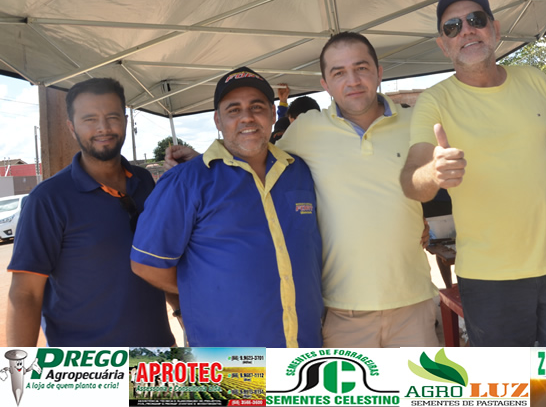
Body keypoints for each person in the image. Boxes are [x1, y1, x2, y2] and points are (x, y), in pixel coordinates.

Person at [167, 36, 438, 348]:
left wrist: (416, 218)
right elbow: (252, 154)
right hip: (341, 310)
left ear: (379, 72)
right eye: (338, 72)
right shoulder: (306, 130)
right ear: (325, 84)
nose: (352, 80)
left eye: (361, 68)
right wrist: (202, 161)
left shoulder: (417, 122)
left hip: (413, 301)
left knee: (419, 381)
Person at [400, 0, 546, 347]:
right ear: (443, 44)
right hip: (490, 280)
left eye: (475, 20)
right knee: (509, 380)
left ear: (495, 29)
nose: (466, 30)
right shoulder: (435, 101)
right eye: (452, 27)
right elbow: (412, 178)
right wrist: (433, 173)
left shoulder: (534, 79)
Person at [131, 67, 323, 347]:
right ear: (217, 120)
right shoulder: (185, 182)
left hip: (304, 347)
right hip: (228, 354)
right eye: (234, 110)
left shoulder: (300, 171)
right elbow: (147, 264)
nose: (247, 117)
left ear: (273, 114)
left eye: (257, 107)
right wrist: (205, 291)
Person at [7, 78, 175, 347]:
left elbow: (161, 258)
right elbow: (26, 294)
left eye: (112, 117)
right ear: (71, 128)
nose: (103, 128)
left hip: (156, 354)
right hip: (86, 365)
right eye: (89, 119)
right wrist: (17, 369)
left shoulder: (144, 181)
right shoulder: (48, 199)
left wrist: (179, 312)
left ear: (125, 121)